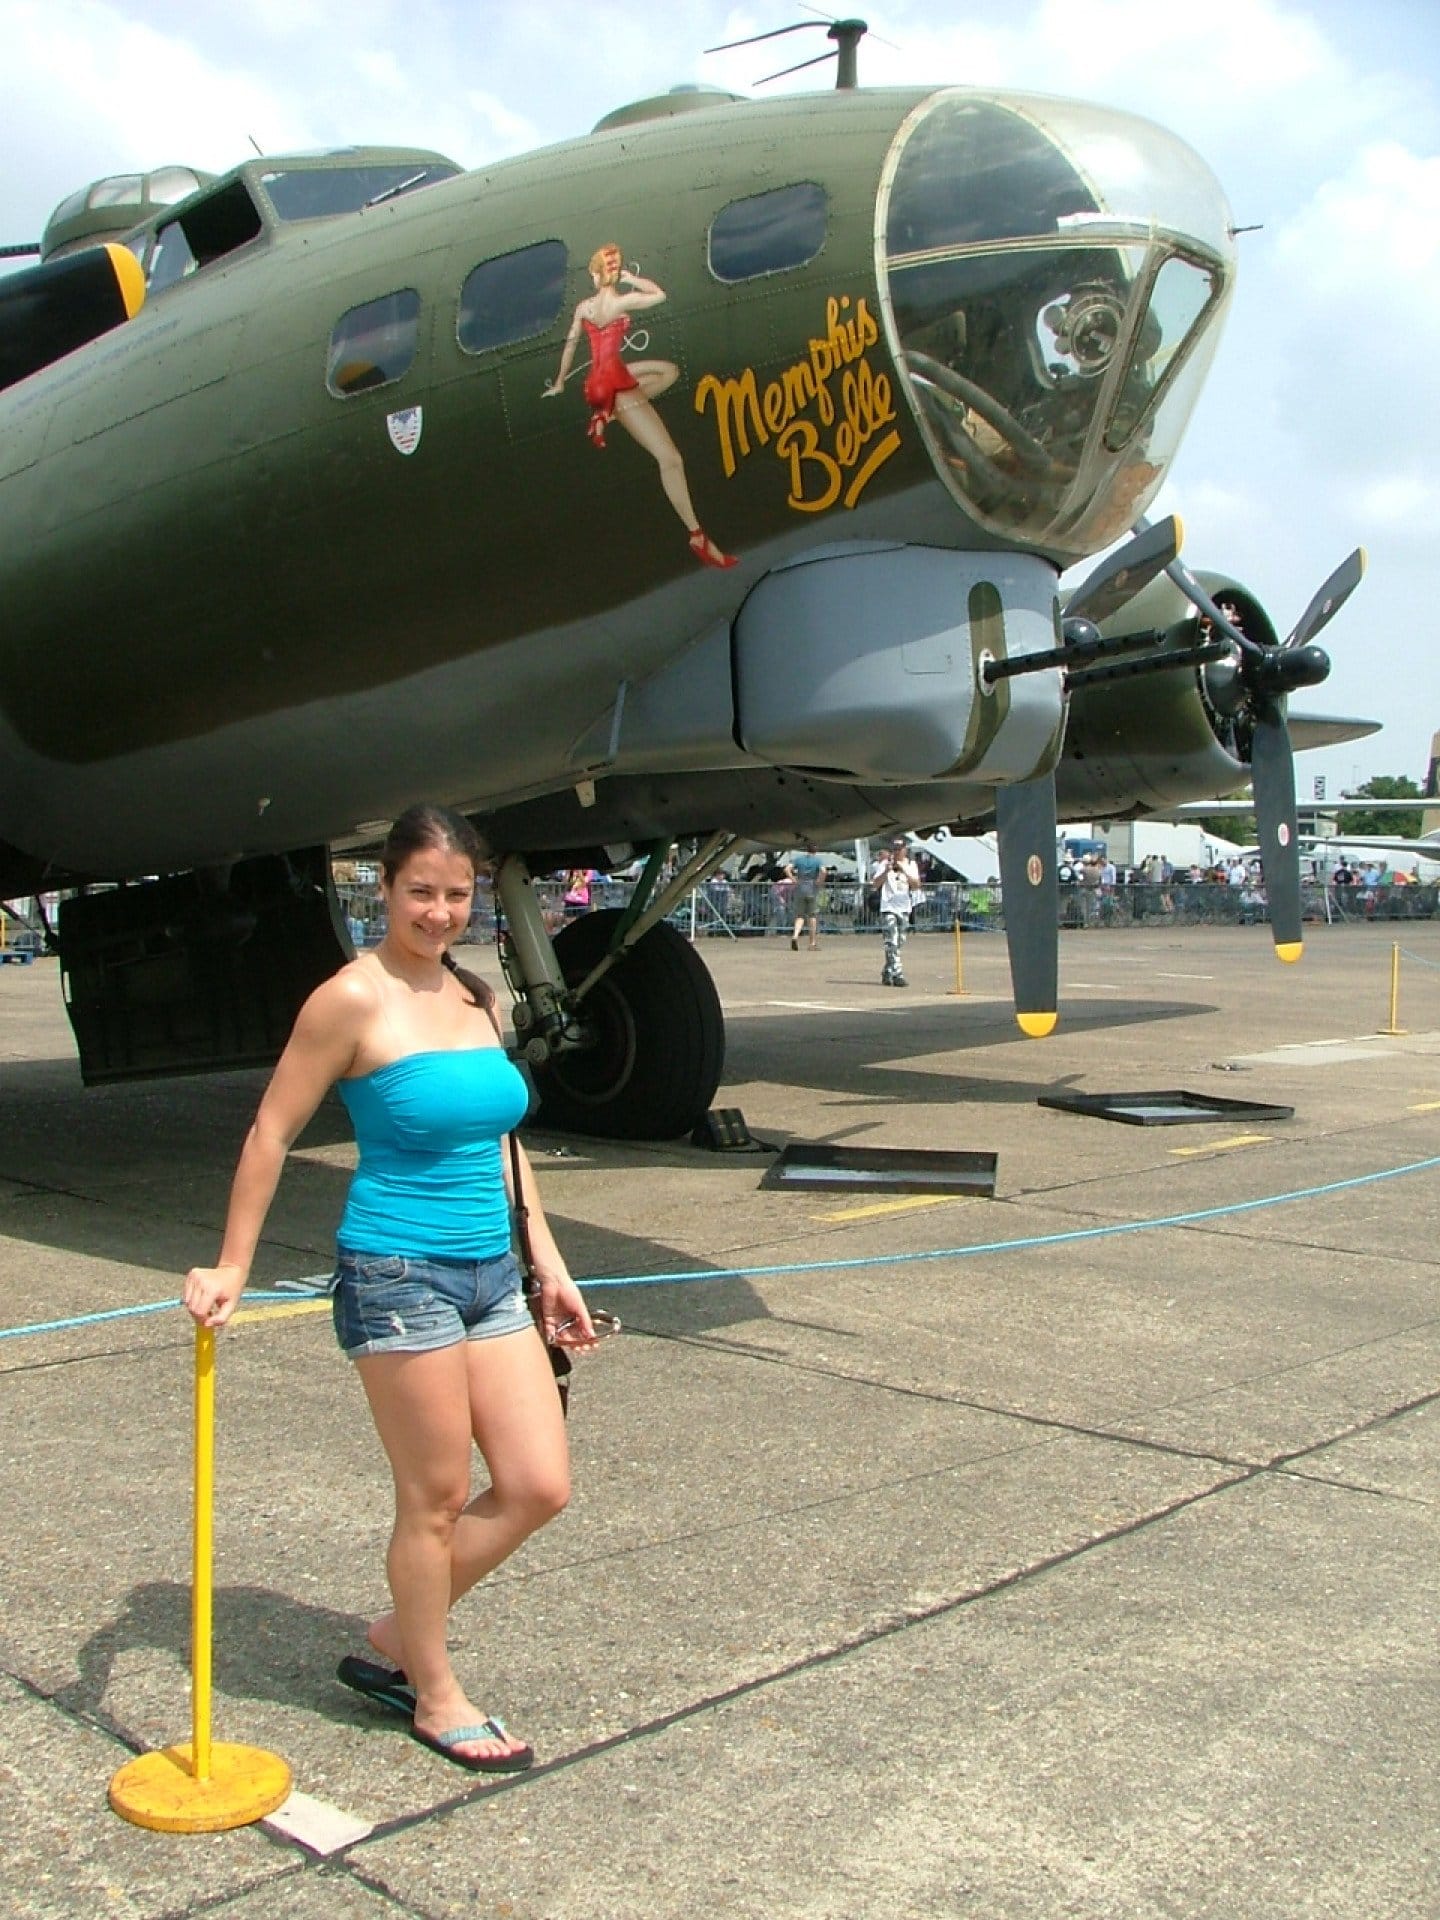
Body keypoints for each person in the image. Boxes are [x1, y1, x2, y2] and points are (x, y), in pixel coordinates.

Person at [182, 804, 599, 1774]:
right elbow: (272, 1132)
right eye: (423, 892)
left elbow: (502, 1146)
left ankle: (400, 1629)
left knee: (539, 1483)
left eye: (459, 894)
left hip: (494, 1275)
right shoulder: (351, 1000)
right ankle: (434, 1690)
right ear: (386, 887)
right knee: (438, 1494)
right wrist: (233, 1264)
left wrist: (551, 1266)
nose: (442, 912)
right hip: (396, 1272)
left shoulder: (477, 999)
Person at [543, 244, 735, 569]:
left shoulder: (584, 308)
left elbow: (571, 344)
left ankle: (606, 413)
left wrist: (561, 382)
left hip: (597, 381)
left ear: (593, 275)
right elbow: (658, 294)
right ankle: (696, 534)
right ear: (613, 274)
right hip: (616, 381)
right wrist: (633, 279)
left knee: (667, 372)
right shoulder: (622, 301)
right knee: (670, 458)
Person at [870, 836, 920, 985]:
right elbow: (875, 884)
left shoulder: (911, 864)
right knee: (891, 941)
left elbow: (917, 885)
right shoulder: (885, 864)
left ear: (905, 850)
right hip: (888, 907)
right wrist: (886, 872)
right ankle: (898, 974)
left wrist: (904, 870)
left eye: (900, 849)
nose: (897, 852)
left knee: (899, 942)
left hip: (904, 907)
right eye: (895, 850)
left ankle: (887, 970)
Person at [788, 839, 827, 951]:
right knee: (812, 916)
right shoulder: (818, 861)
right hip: (812, 888)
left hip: (800, 886)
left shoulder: (798, 859)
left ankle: (795, 935)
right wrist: (819, 881)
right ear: (816, 850)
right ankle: (812, 943)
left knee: (800, 915)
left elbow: (787, 869)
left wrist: (793, 879)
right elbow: (824, 871)